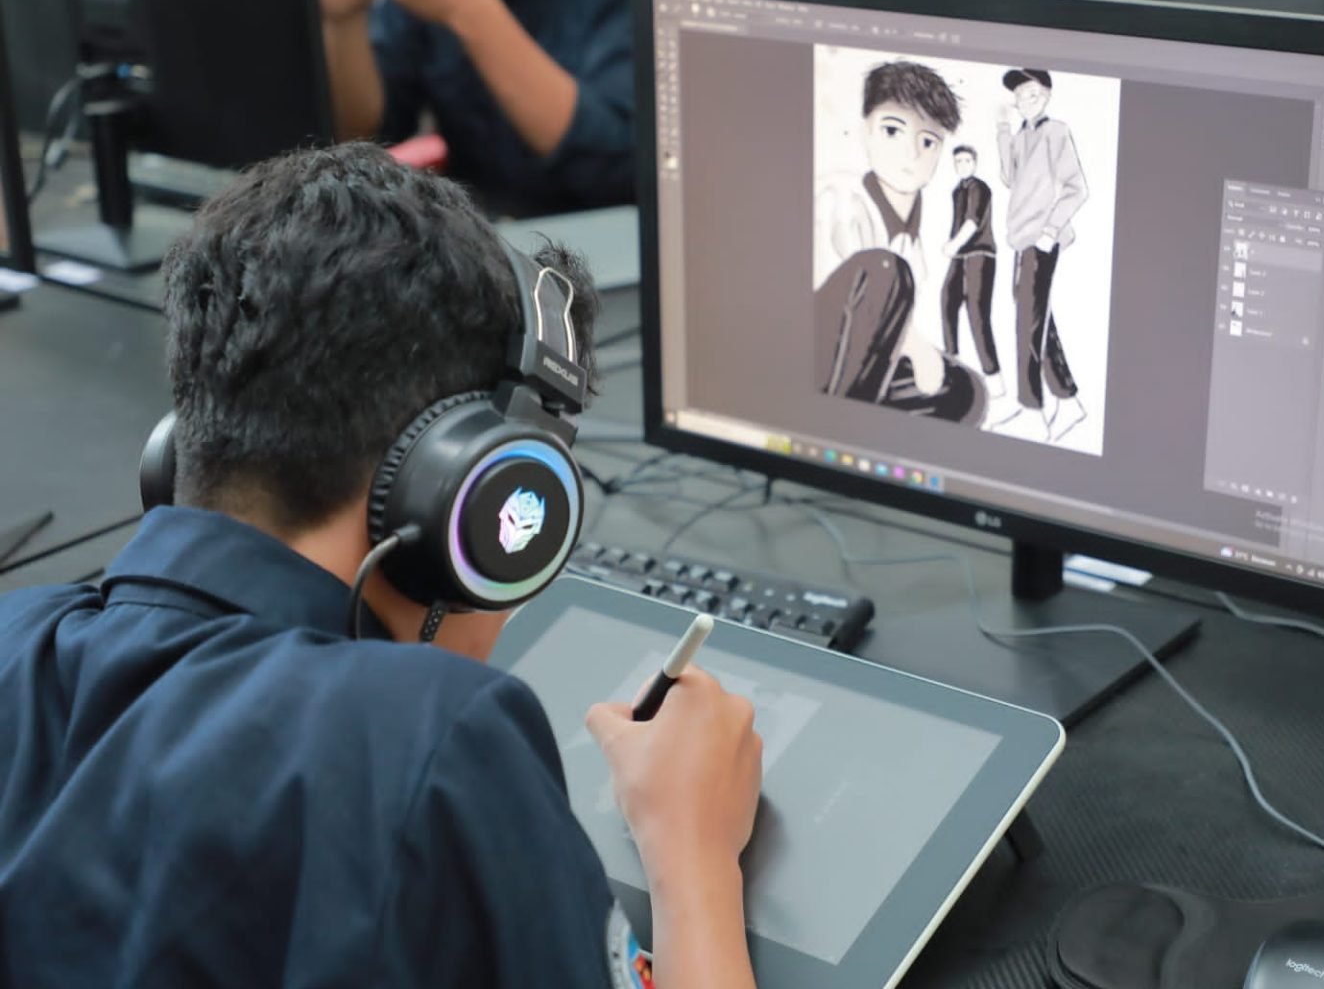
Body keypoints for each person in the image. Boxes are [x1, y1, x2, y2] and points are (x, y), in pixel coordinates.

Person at [0, 144, 761, 988]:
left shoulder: (13, 641)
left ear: (181, 449)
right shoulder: (429, 744)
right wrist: (693, 853)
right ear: (469, 491)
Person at [316, 0, 633, 217]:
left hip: (604, 232)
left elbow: (613, 160)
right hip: (475, 237)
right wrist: (343, 20)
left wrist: (465, 5)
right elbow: (365, 136)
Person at [814, 60, 985, 425]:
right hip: (809, 358)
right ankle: (832, 427)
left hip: (859, 373)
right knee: (884, 270)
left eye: (927, 142)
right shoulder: (840, 200)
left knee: (962, 388)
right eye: (892, 131)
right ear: (865, 132)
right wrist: (916, 348)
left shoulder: (914, 230)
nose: (911, 154)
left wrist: (921, 354)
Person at [995, 67, 1089, 442]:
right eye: (1019, 97)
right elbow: (1009, 177)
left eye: (1031, 94)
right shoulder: (1021, 135)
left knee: (1027, 321)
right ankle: (1067, 399)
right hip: (1022, 237)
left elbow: (1077, 187)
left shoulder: (1056, 132)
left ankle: (1032, 410)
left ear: (1046, 96)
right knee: (1035, 318)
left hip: (1042, 237)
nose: (1024, 102)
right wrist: (1002, 130)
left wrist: (1051, 230)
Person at [940, 145, 1004, 401]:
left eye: (967, 160)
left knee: (977, 315)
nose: (963, 165)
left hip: (980, 254)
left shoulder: (980, 188)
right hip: (960, 256)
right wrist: (955, 248)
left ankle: (994, 379)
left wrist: (953, 245)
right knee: (948, 302)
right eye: (959, 161)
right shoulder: (957, 190)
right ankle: (952, 365)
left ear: (975, 163)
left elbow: (972, 222)